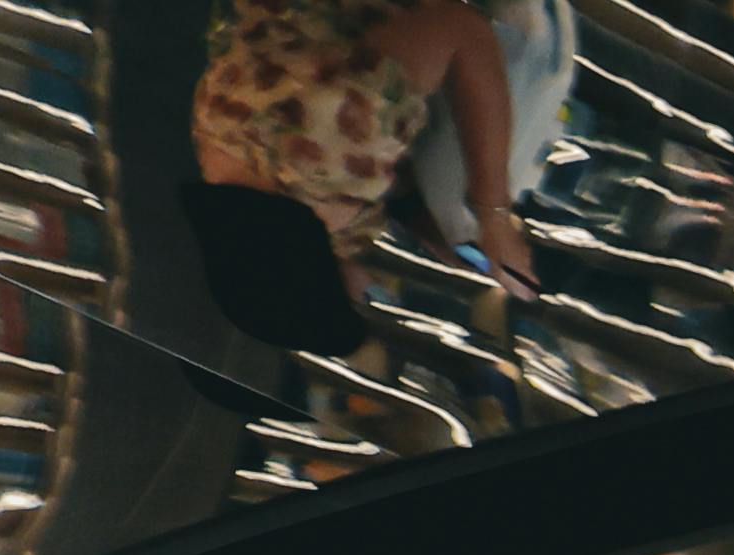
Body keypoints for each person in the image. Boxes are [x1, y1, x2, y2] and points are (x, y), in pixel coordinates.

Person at [185, 0, 537, 351]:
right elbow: (361, 185)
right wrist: (428, 223)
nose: (364, 289)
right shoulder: (223, 160)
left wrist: (494, 214)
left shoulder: (327, 137)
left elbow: (463, 31)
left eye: (351, 301)